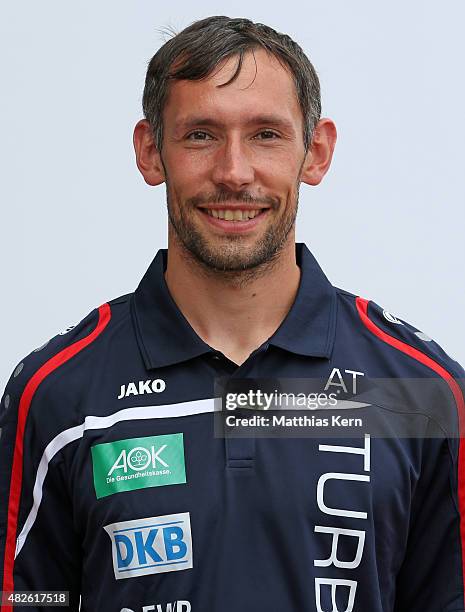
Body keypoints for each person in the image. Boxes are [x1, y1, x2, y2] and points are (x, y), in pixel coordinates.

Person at [0, 15, 464, 612]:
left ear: (315, 152)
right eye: (200, 135)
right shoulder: (57, 393)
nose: (234, 172)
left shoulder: (416, 391)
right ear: (150, 151)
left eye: (266, 134)